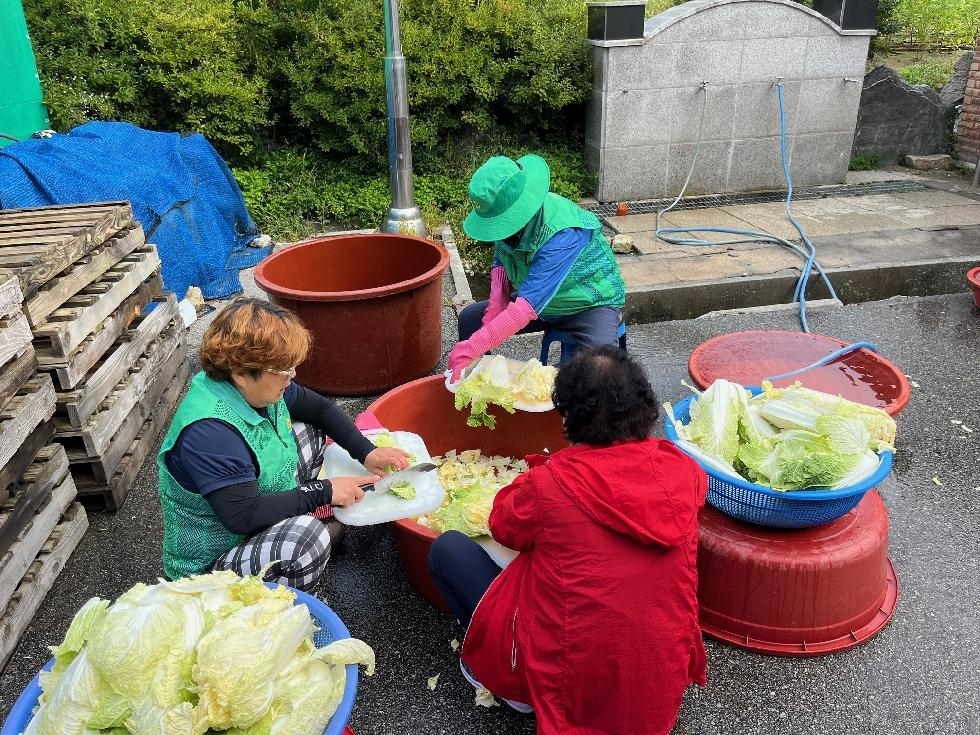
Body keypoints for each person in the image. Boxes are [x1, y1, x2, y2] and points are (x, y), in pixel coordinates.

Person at [429, 346, 708, 734]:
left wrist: (533, 479)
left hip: (570, 683)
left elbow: (502, 526)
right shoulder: (685, 471)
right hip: (657, 681)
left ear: (568, 418)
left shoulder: (551, 484)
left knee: (449, 550)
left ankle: (511, 685)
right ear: (643, 407)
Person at [157, 297, 410, 591]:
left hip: (247, 515)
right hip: (210, 568)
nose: (292, 377)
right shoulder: (210, 434)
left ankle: (287, 528)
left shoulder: (253, 388)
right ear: (241, 373)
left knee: (310, 433)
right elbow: (243, 516)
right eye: (283, 370)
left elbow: (320, 410)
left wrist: (367, 451)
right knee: (307, 539)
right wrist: (323, 491)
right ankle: (290, 605)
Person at [447, 154, 627, 381]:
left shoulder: (562, 233)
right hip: (543, 304)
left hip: (588, 305)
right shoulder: (508, 218)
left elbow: (526, 307)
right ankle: (477, 387)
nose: (500, 231)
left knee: (600, 369)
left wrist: (474, 345)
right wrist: (496, 303)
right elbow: (501, 259)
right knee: (470, 318)